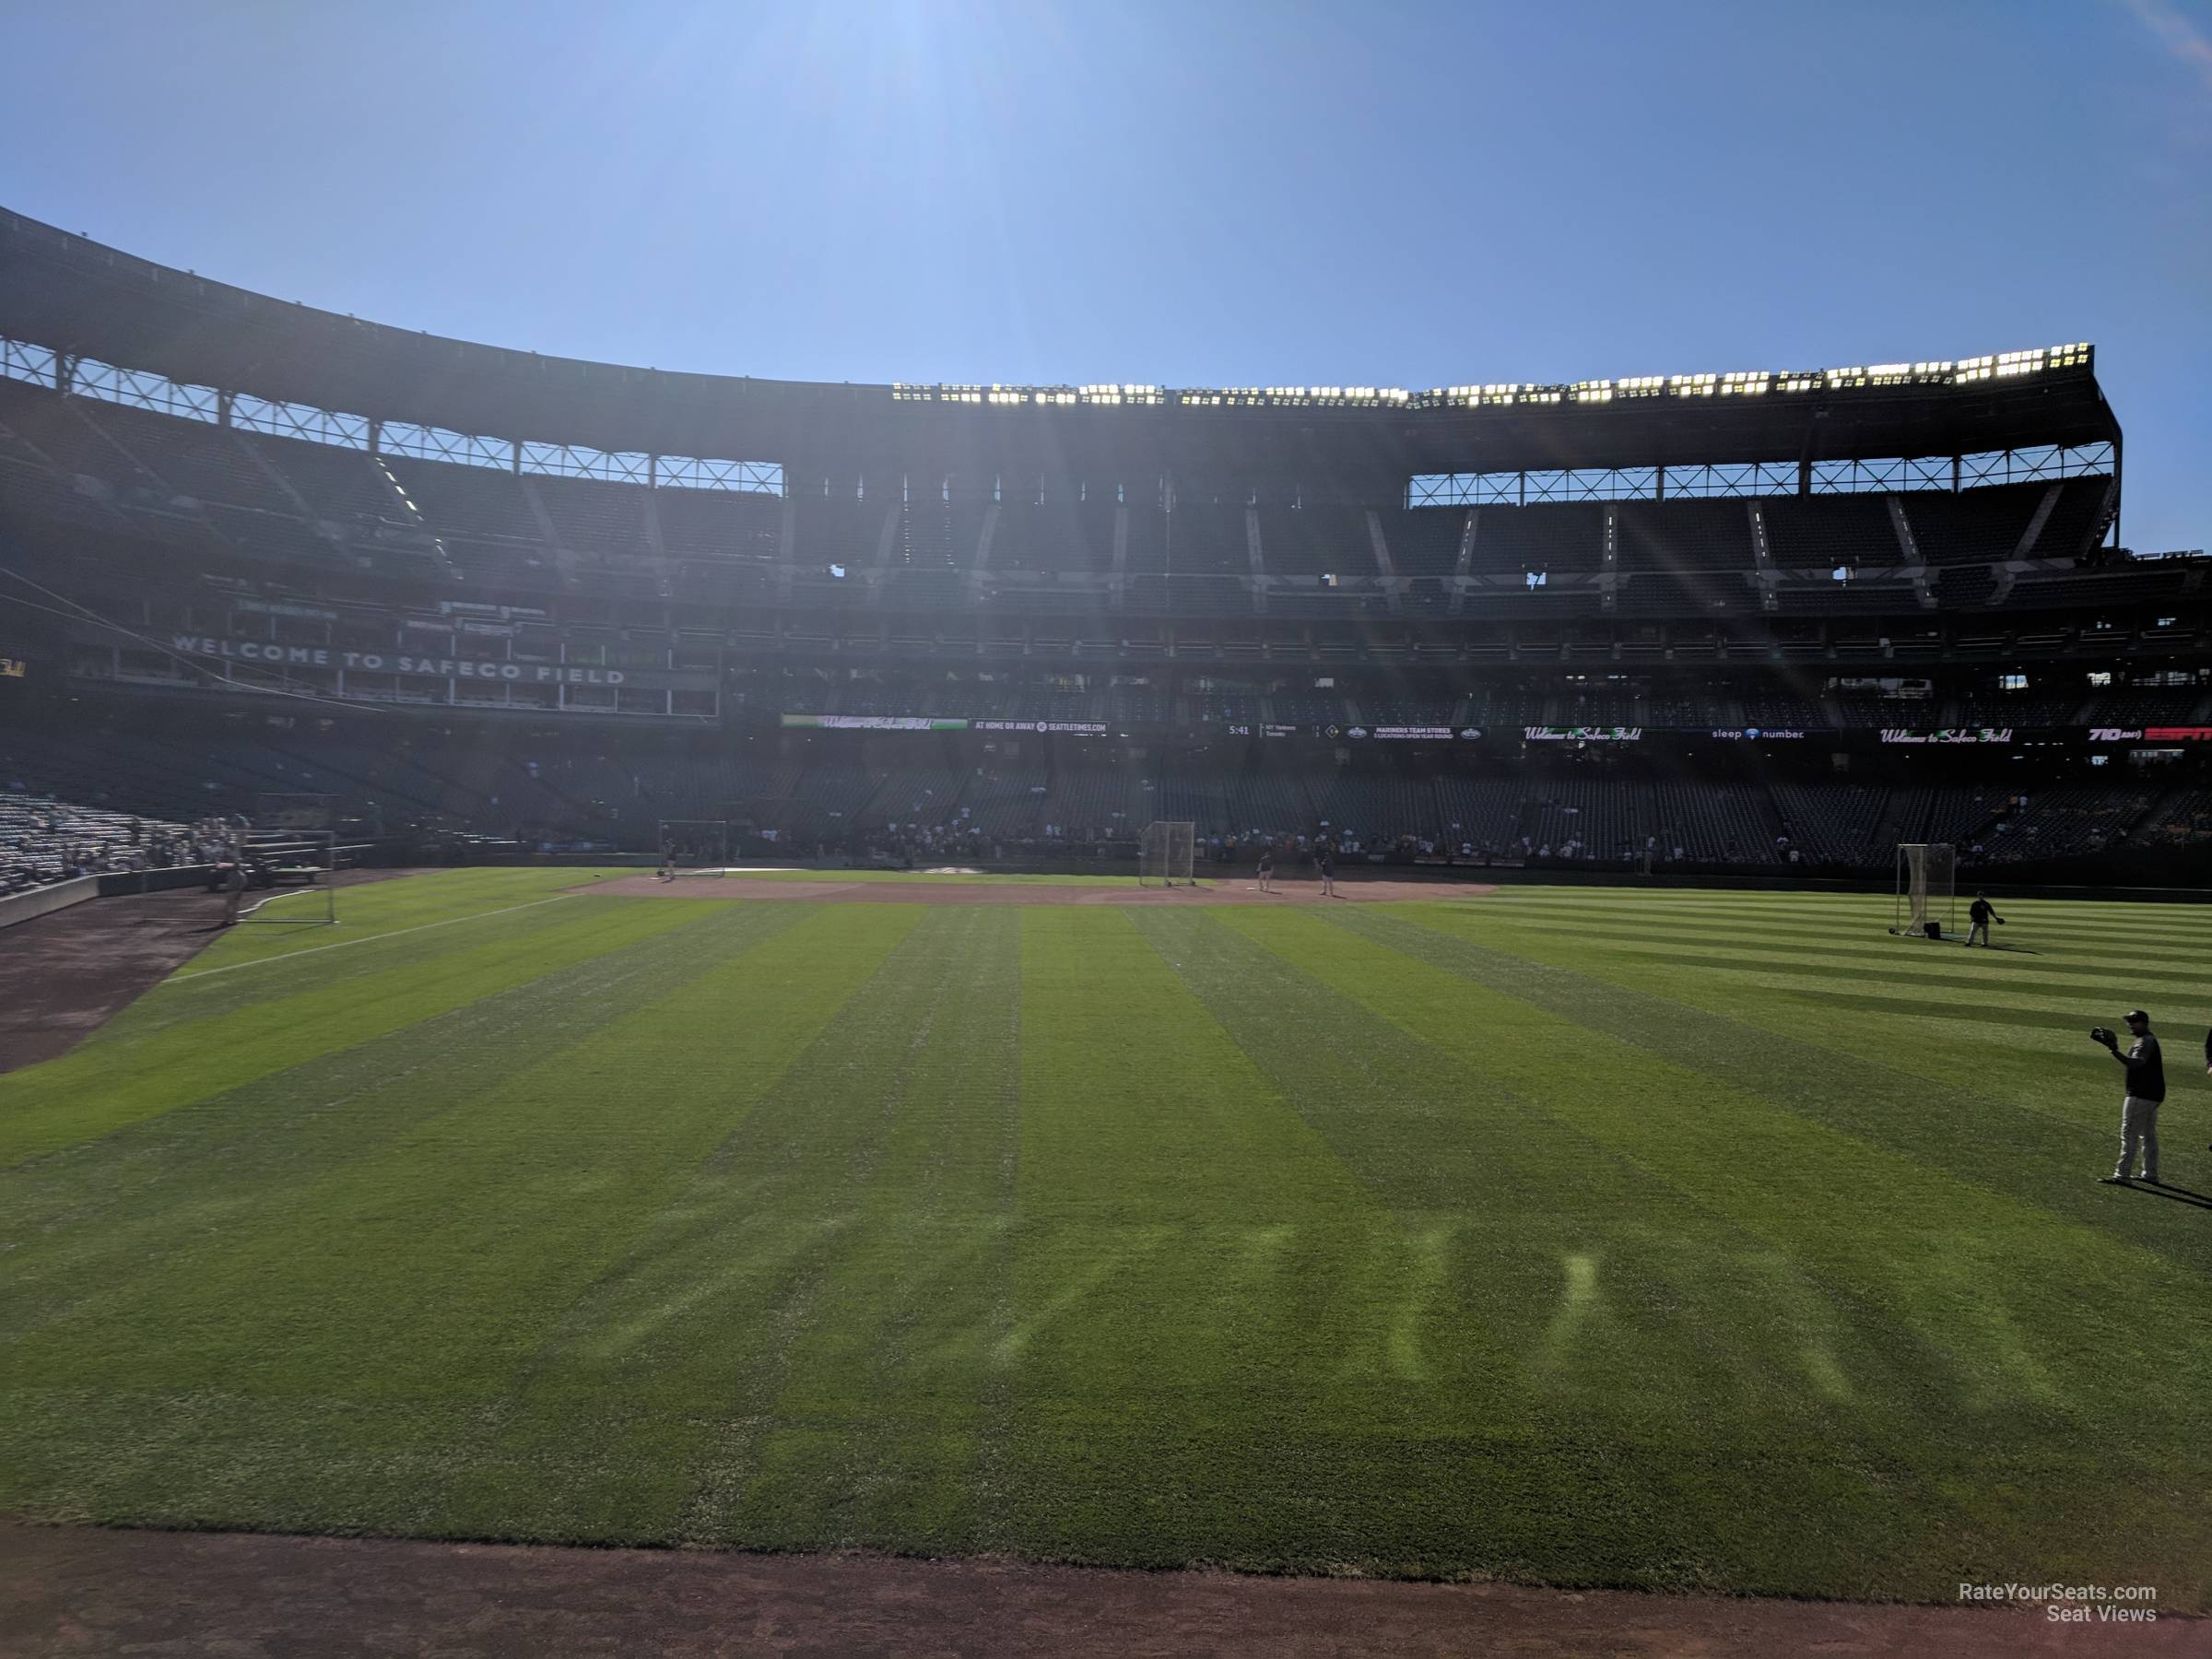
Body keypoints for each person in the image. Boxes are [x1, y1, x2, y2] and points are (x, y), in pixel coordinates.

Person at [2098, 1009, 2165, 1185]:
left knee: (2129, 1135)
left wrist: (2114, 1050)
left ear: (2144, 1023)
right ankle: (2150, 1174)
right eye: (2129, 1021)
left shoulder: (2144, 1042)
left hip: (2140, 1095)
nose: (2131, 1025)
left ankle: (2122, 1175)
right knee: (2148, 1135)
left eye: (2135, 1021)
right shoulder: (2148, 1040)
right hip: (2153, 1095)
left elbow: (2135, 1064)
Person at [218, 859, 247, 928]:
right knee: (231, 906)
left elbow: (242, 885)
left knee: (232, 906)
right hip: (231, 891)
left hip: (234, 891)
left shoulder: (239, 874)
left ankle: (232, 920)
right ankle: (230, 920)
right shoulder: (236, 874)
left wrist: (239, 892)